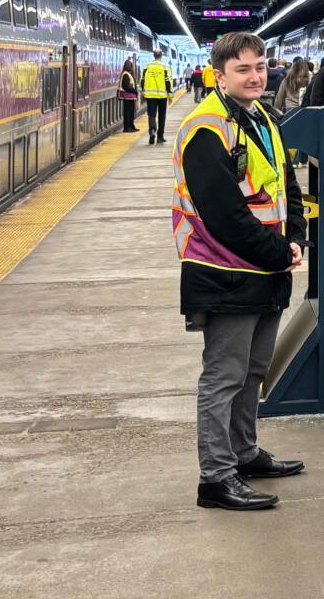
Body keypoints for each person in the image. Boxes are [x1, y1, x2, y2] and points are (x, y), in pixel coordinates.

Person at [172, 32, 307, 512]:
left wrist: (297, 237)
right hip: (223, 269)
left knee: (253, 371)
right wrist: (279, 251)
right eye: (243, 69)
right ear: (219, 75)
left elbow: (286, 187)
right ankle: (215, 477)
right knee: (224, 376)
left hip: (264, 269)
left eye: (260, 66)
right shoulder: (205, 129)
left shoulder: (262, 118)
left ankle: (243, 454)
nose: (255, 76)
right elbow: (224, 214)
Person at [140, 49, 172, 143]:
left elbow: (142, 80)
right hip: (162, 96)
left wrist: (142, 91)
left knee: (151, 114)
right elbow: (168, 81)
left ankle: (152, 130)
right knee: (162, 115)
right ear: (161, 56)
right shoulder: (165, 67)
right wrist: (170, 95)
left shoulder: (147, 67)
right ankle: (160, 136)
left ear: (153, 55)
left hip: (150, 95)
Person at [118, 56, 139, 132]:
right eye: (131, 66)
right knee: (128, 112)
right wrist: (134, 91)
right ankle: (127, 128)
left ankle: (131, 126)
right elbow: (126, 86)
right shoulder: (126, 75)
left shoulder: (127, 74)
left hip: (130, 97)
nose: (132, 68)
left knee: (131, 112)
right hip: (127, 97)